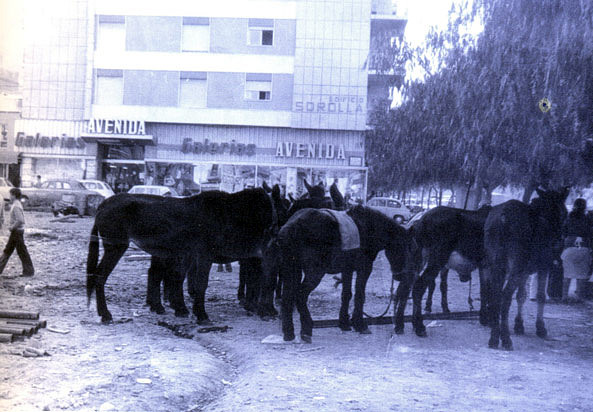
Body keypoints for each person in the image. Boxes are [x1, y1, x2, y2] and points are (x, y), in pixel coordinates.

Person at [560, 198, 593, 300]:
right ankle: (579, 297)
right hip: (584, 247)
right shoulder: (588, 219)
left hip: (569, 246)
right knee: (582, 275)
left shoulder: (569, 217)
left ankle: (564, 296)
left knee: (567, 274)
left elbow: (563, 232)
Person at [0, 188, 34, 277]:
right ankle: (29, 271)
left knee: (14, 251)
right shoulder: (17, 204)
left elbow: (20, 220)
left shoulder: (16, 206)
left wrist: (12, 227)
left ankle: (29, 271)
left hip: (17, 232)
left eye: (10, 194)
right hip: (18, 231)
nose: (9, 196)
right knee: (12, 250)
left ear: (14, 195)